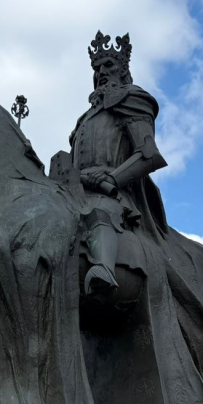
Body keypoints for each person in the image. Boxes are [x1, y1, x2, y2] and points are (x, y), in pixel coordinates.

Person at [68, 30, 167, 300]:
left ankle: (104, 269)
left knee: (99, 212)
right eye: (97, 68)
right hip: (76, 190)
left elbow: (149, 154)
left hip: (113, 192)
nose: (101, 72)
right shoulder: (83, 120)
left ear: (123, 69)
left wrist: (112, 179)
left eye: (108, 65)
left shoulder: (131, 99)